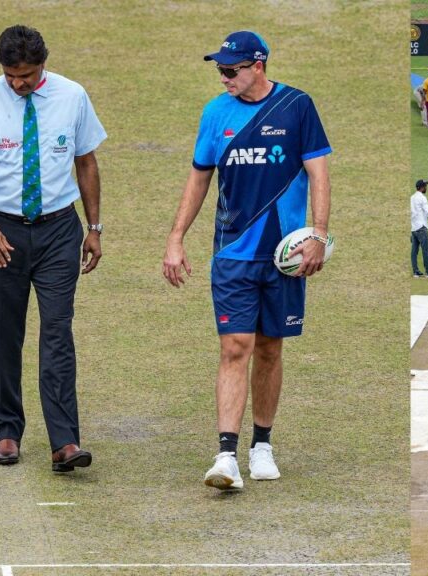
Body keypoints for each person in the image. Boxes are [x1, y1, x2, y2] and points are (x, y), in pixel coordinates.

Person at [162, 31, 332, 490]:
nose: (224, 78)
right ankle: (225, 457)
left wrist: (318, 234)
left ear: (258, 65)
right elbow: (199, 179)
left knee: (270, 349)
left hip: (285, 257)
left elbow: (318, 173)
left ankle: (263, 446)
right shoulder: (216, 113)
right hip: (232, 255)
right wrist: (176, 239)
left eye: (231, 70)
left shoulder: (297, 106)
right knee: (235, 347)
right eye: (220, 70)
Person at [0, 25, 106, 472]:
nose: (19, 83)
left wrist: (93, 228)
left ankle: (65, 442)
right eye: (11, 75)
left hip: (60, 230)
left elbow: (86, 161)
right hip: (1, 232)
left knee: (58, 332)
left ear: (43, 64)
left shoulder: (72, 96)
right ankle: (6, 432)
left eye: (28, 75)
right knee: (5, 333)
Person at [410, 179, 428, 278]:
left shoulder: (412, 198)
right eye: (425, 186)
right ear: (422, 187)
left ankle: (415, 271)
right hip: (422, 227)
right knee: (425, 250)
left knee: (414, 251)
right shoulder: (422, 198)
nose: (426, 187)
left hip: (414, 228)